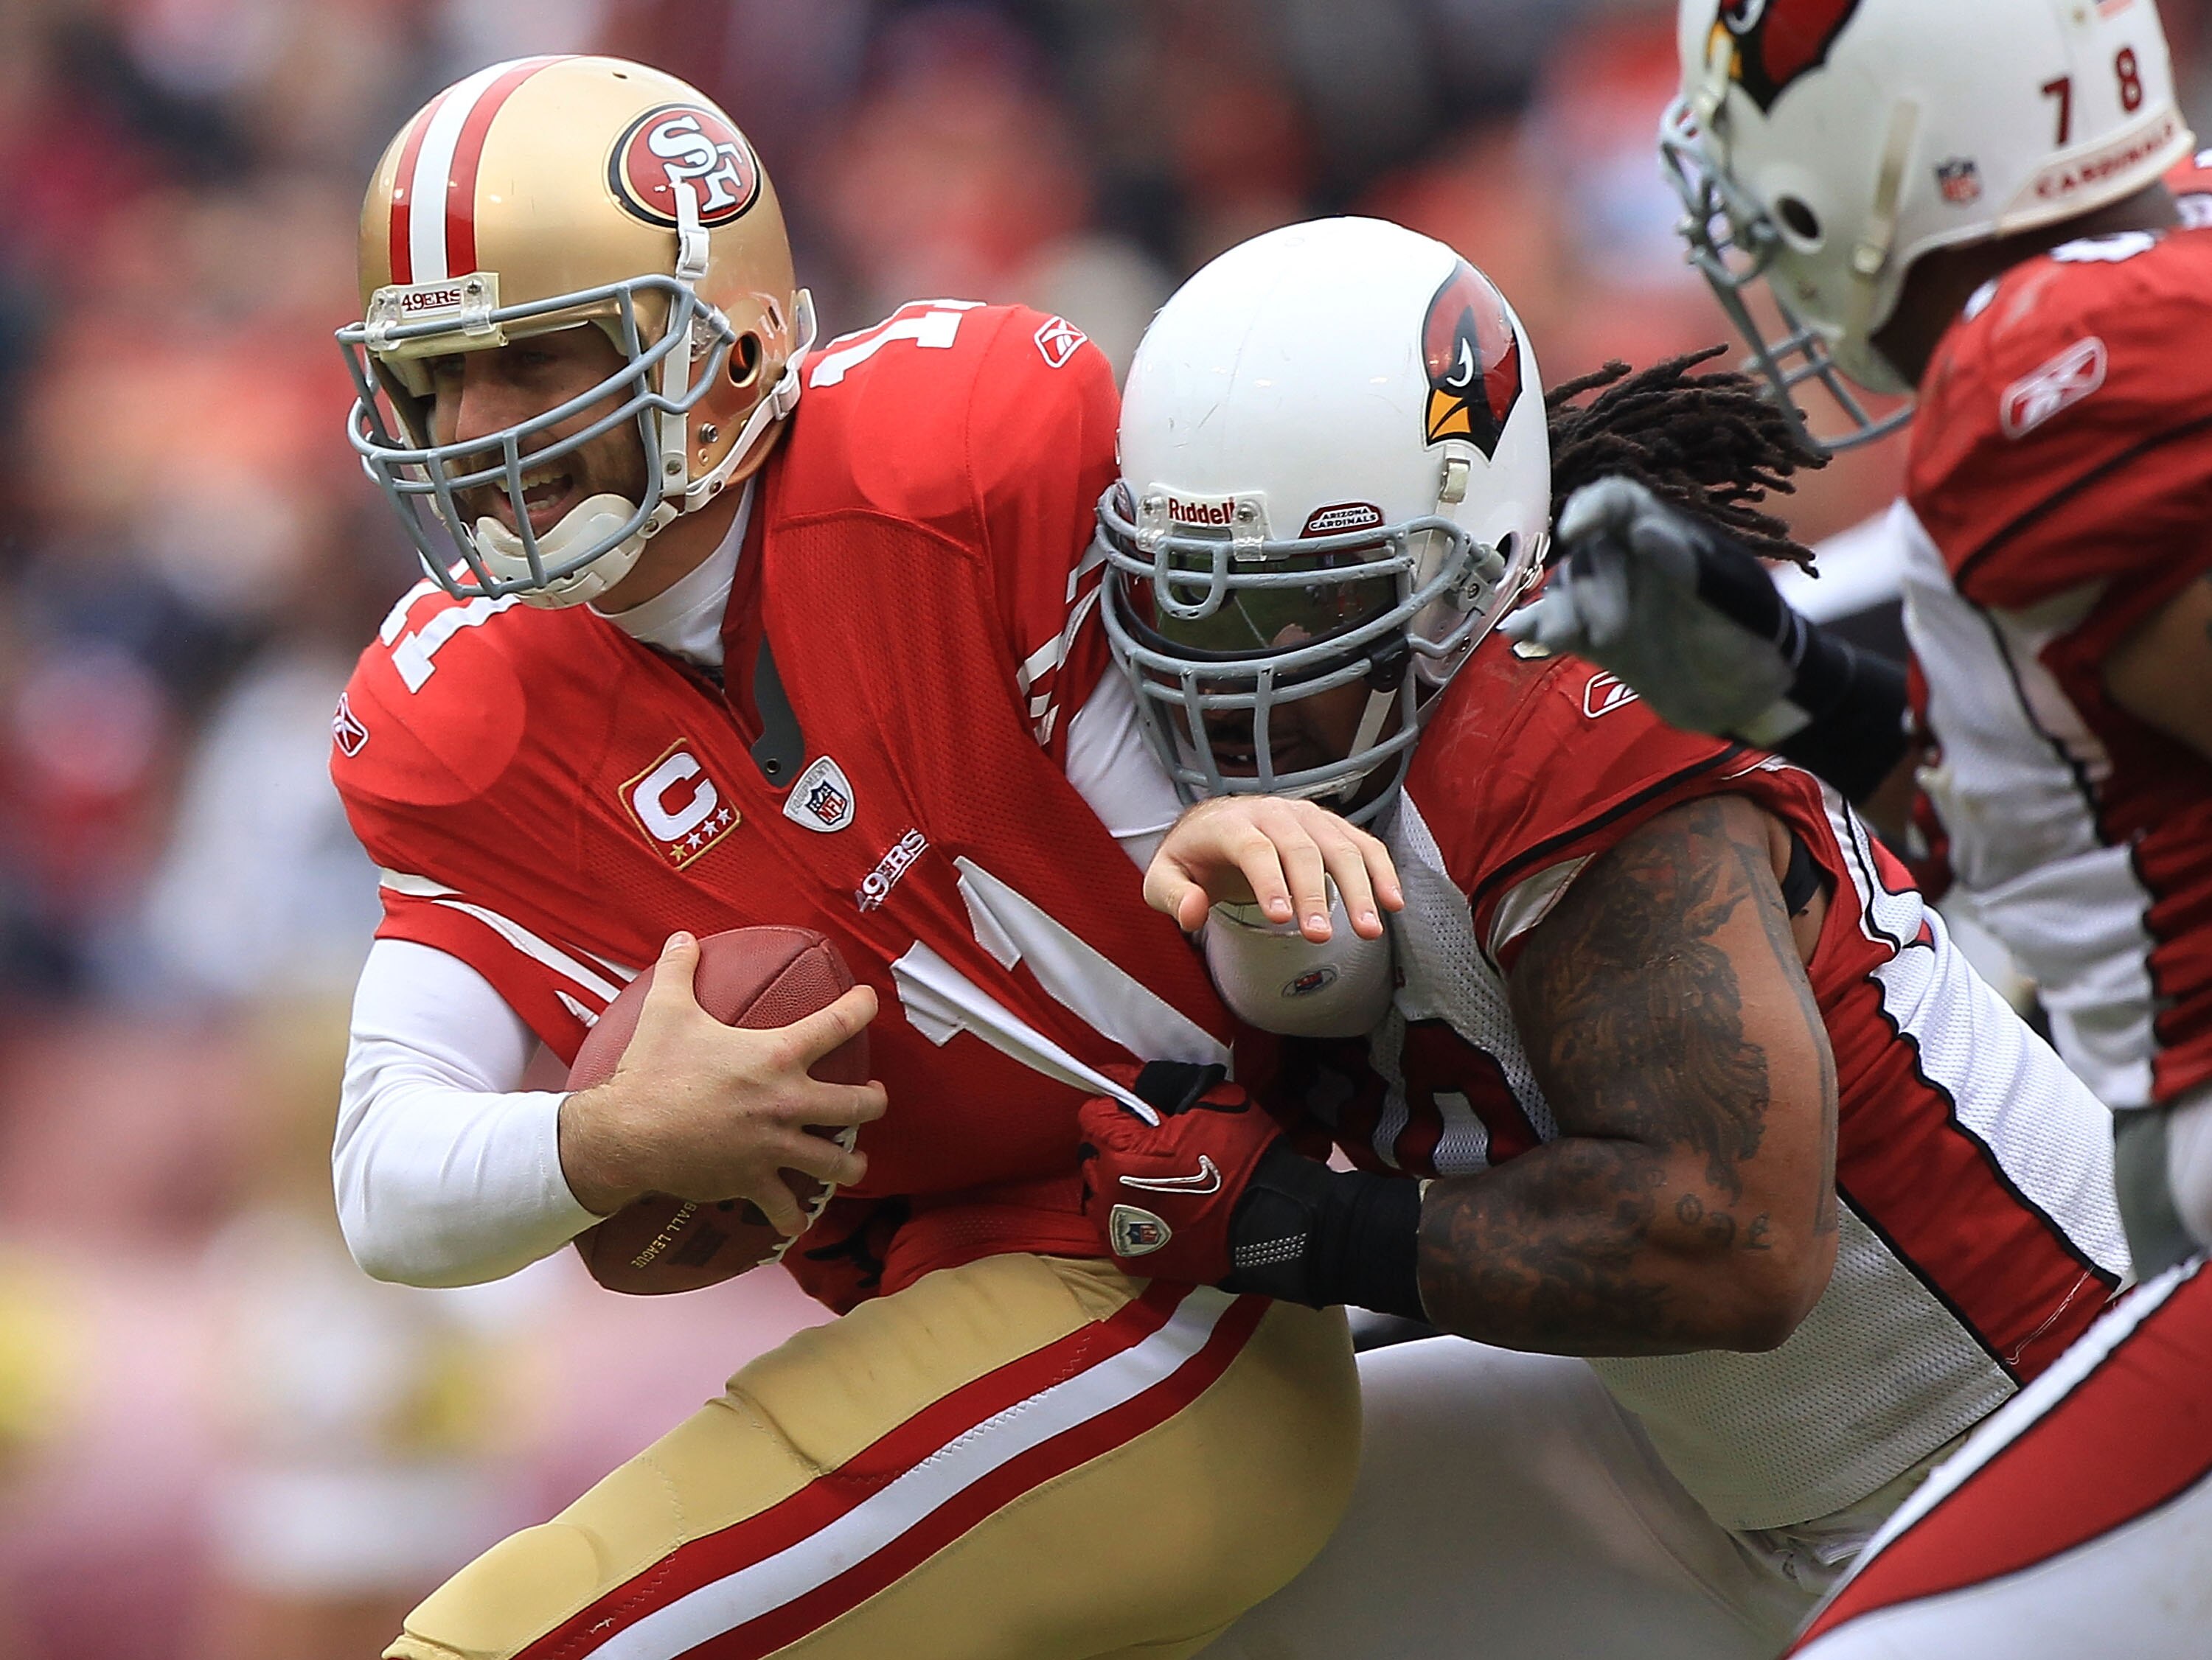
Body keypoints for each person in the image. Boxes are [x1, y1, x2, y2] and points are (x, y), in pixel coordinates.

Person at [325, 55, 1358, 1660]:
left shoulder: (961, 461)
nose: (472, 428)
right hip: (956, 1318)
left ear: (722, 346)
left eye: (532, 359)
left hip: (1187, 1268)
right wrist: (609, 1140)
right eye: (435, 375)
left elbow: (1289, 920)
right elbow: (387, 1182)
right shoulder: (459, 708)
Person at [1067, 215, 2128, 1658]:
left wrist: (1303, 1226)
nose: (1231, 670)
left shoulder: (1558, 733)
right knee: (1166, 1580)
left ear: (1466, 564)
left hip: (2017, 1435)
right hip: (1695, 1458)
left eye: (1294, 601)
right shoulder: (1209, 768)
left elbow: (1736, 1245)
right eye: (1186, 598)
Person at [1500, 1, 2212, 1649]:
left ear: (1883, 136)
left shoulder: (2049, 369)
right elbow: (2095, 818)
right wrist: (1797, 691)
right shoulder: (2129, 292)